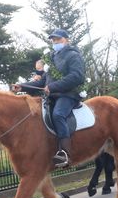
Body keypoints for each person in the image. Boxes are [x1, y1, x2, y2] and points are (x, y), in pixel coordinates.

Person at [12, 28, 86, 167]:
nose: (55, 42)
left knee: (58, 114)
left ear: (67, 40)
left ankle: (65, 153)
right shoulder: (52, 58)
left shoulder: (73, 56)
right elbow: (42, 82)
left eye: (58, 39)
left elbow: (77, 76)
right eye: (53, 40)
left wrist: (53, 87)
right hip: (52, 96)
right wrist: (22, 86)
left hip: (68, 94)